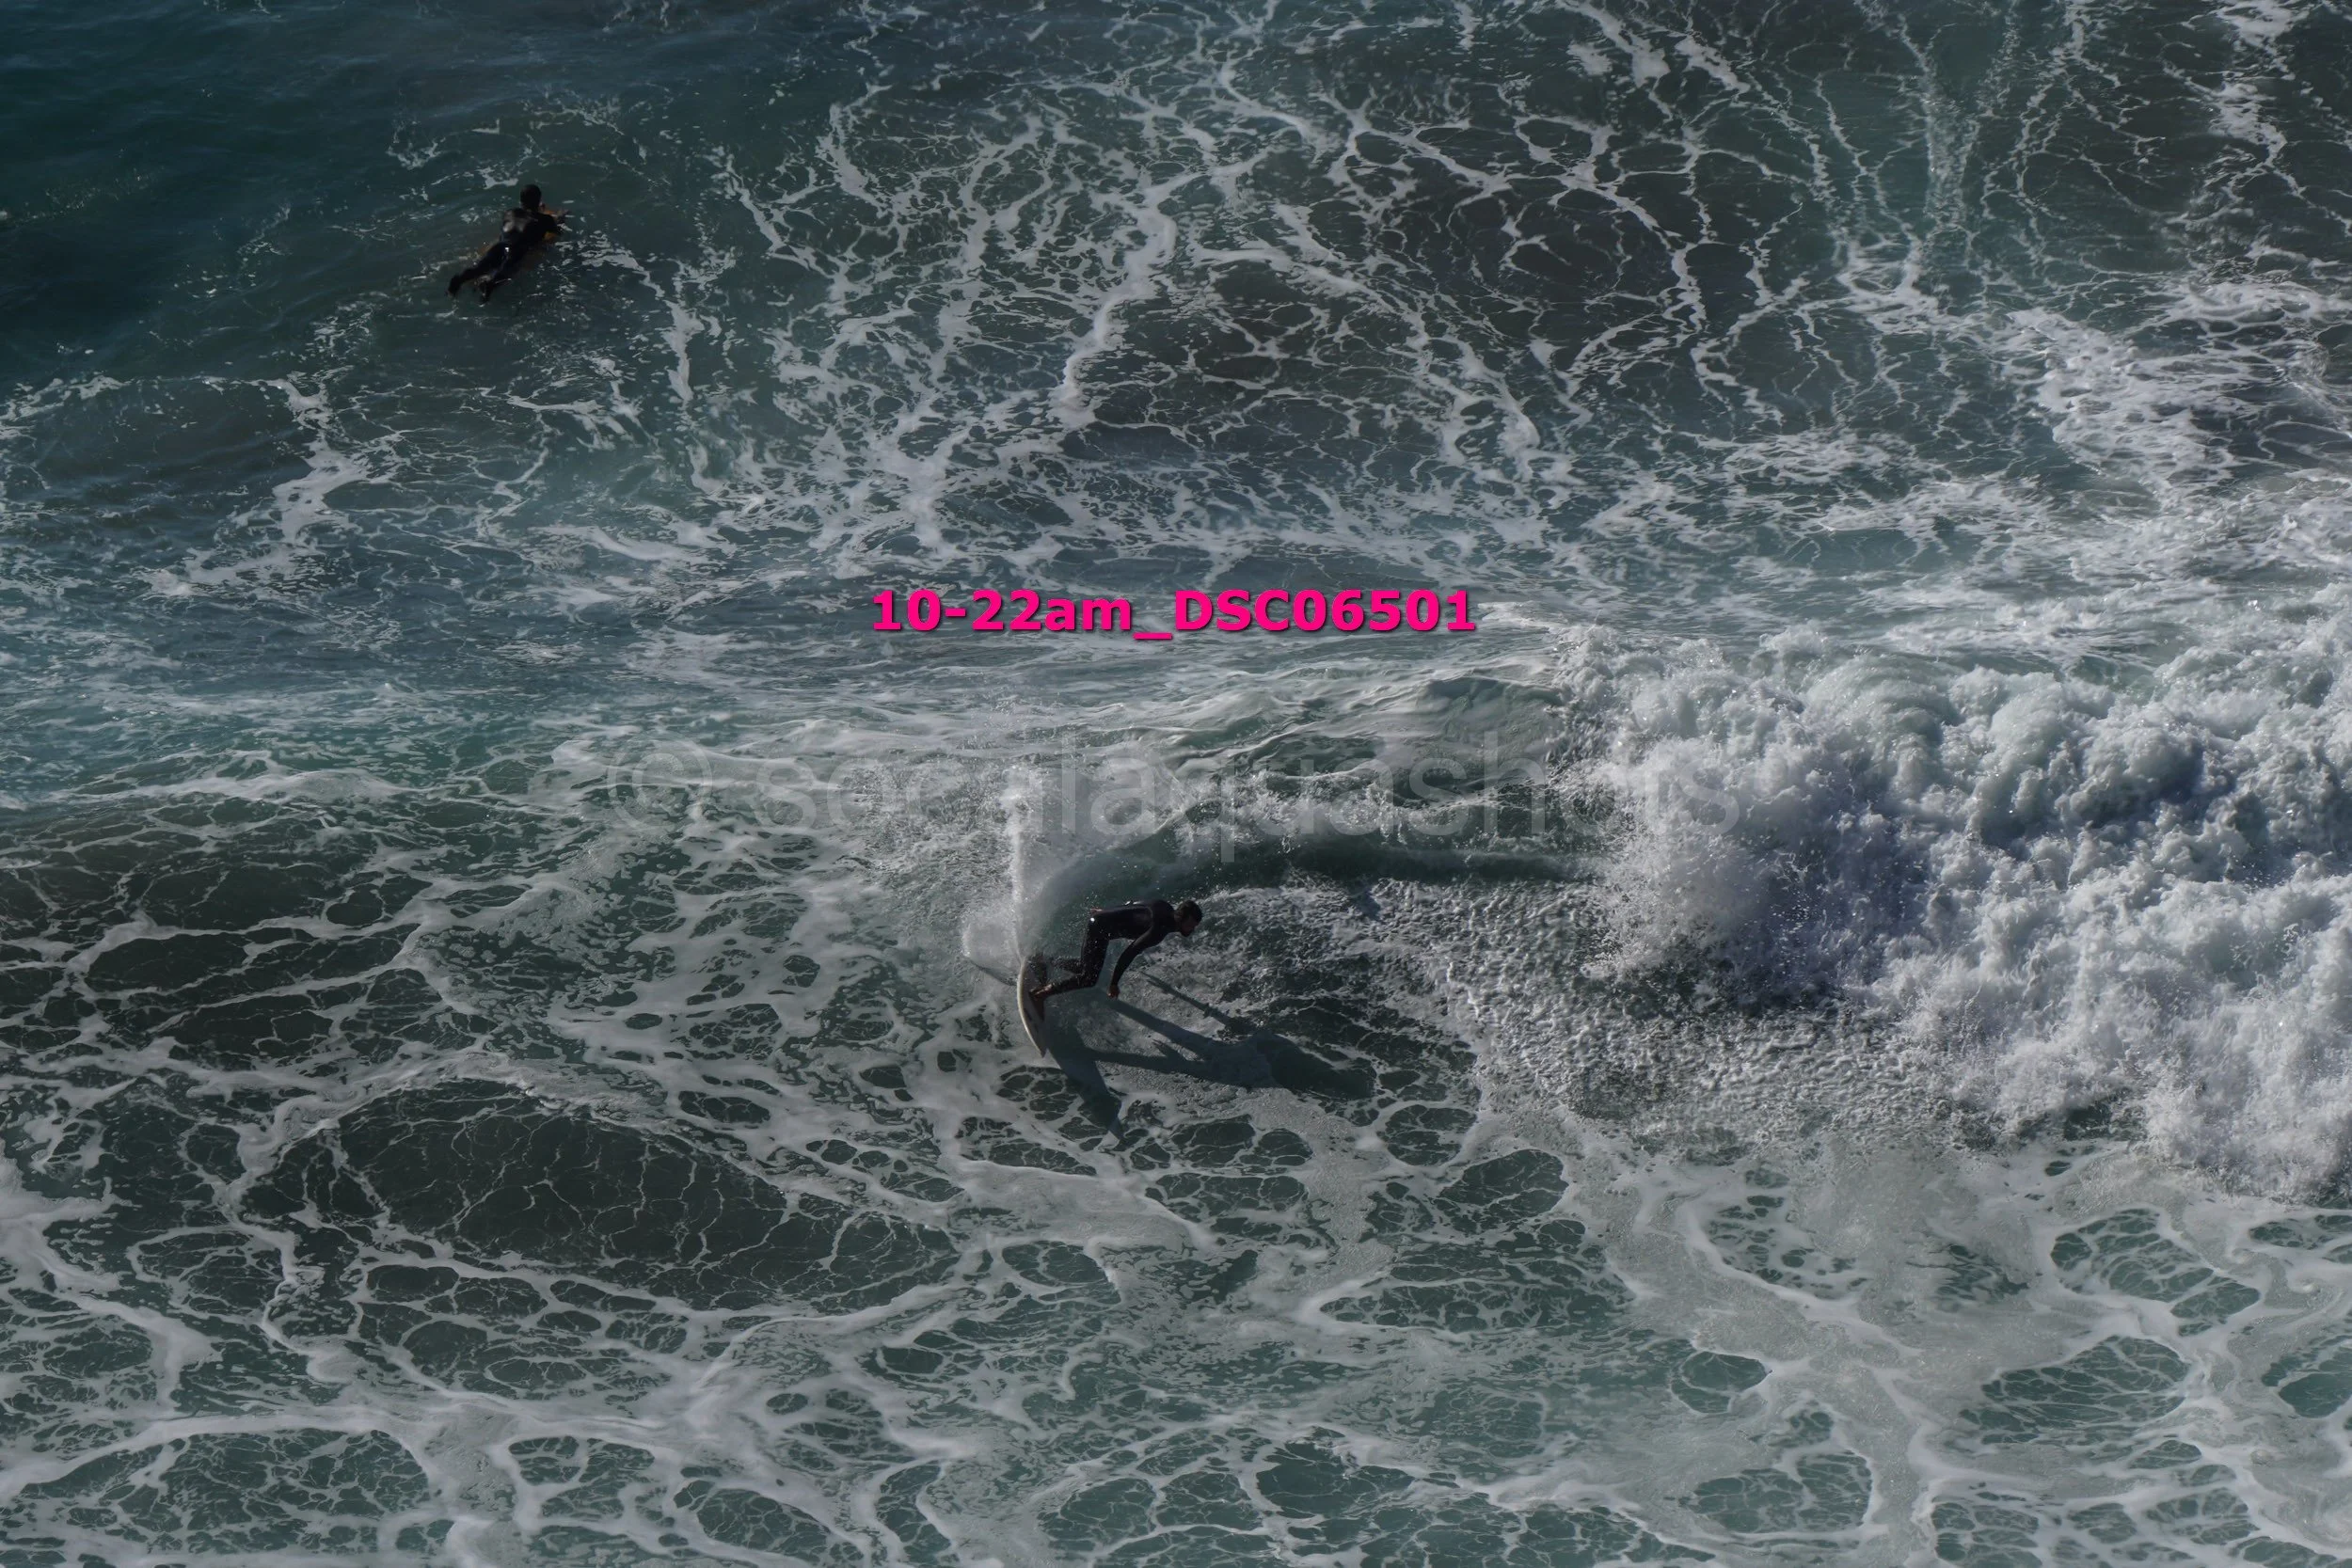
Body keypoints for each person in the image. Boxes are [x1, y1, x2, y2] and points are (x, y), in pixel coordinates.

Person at [1032, 898, 1201, 1012]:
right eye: (1189, 925)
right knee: (1089, 979)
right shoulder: (1159, 930)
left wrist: (1107, 912)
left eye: (1194, 926)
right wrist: (1114, 983)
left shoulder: (1164, 905)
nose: (1191, 929)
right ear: (1180, 918)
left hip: (1101, 921)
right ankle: (1041, 994)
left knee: (1084, 967)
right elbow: (1129, 953)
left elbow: (1132, 903)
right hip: (1100, 929)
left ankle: (1044, 960)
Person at [448, 184, 565, 301]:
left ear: (521, 201)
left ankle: (460, 279)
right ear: (539, 201)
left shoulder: (510, 213)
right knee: (504, 273)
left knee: (480, 267)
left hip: (500, 246)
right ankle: (490, 285)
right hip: (516, 250)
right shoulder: (545, 220)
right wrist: (560, 217)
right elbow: (557, 230)